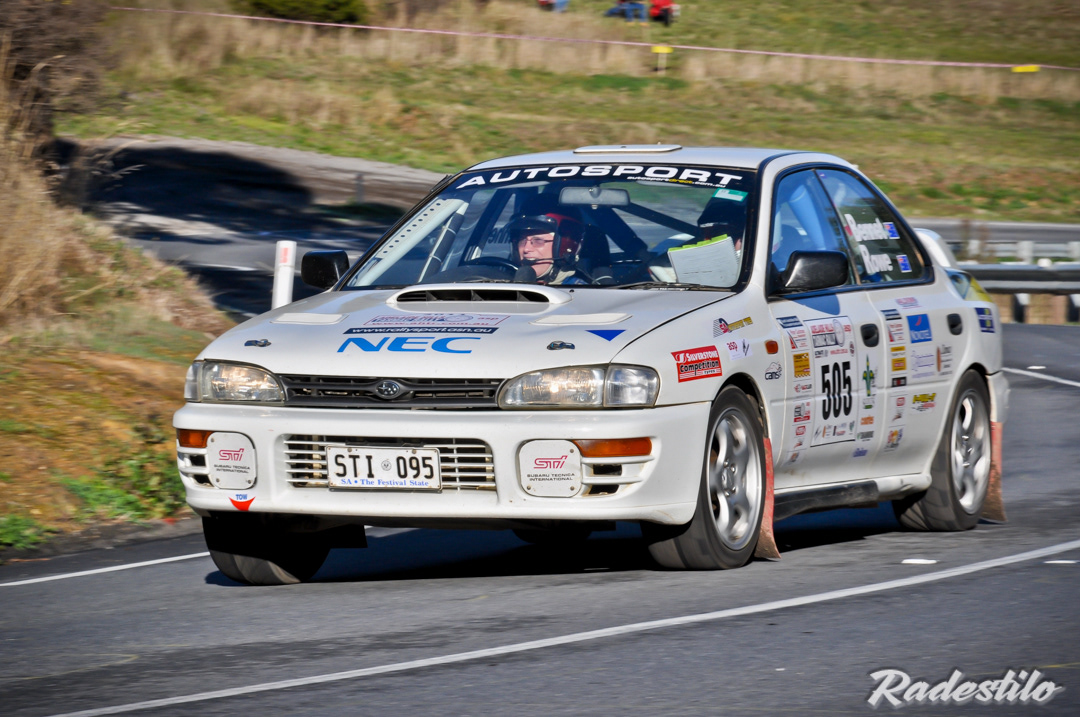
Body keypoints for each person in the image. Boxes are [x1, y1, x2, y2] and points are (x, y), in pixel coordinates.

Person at [506, 211, 589, 285]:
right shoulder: (505, 283)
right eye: (522, 240)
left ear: (564, 246)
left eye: (538, 240)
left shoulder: (580, 293)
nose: (526, 249)